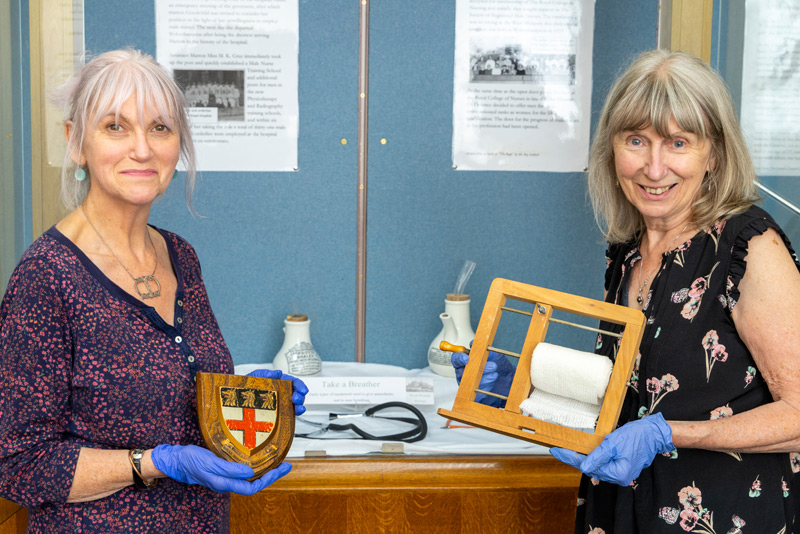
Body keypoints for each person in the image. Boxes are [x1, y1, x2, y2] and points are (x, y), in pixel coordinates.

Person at [453, 49, 800, 533]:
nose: (654, 169)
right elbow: (631, 398)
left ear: (713, 154)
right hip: (623, 511)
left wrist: (669, 434)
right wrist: (520, 390)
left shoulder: (748, 247)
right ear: (611, 148)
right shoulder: (629, 252)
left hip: (724, 514)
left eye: (678, 143)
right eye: (636, 140)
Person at [0, 48, 308, 533]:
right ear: (75, 142)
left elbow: (179, 392)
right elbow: (21, 465)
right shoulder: (47, 276)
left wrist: (245, 399)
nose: (142, 149)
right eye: (115, 127)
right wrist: (157, 461)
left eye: (159, 128)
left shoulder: (179, 255)